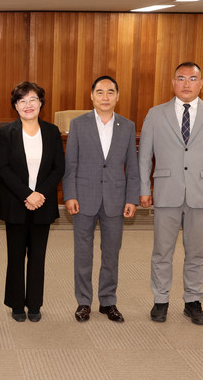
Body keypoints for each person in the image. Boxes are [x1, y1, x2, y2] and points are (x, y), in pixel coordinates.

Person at [139, 62, 203, 325]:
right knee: (162, 251)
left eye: (192, 78)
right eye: (181, 78)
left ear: (201, 83)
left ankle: (193, 301)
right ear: (173, 82)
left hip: (201, 192)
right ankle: (160, 300)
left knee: (196, 252)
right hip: (166, 191)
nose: (186, 84)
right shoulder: (156, 114)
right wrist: (144, 189)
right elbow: (144, 156)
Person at [63, 76, 139, 323]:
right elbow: (70, 164)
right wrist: (70, 195)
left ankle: (108, 302)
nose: (105, 97)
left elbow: (133, 166)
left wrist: (132, 198)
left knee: (111, 253)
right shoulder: (78, 124)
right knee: (83, 253)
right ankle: (84, 302)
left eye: (110, 92)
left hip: (116, 199)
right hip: (83, 197)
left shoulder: (127, 126)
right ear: (92, 96)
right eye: (100, 92)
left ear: (117, 96)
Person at [0, 82, 64, 323]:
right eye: (22, 101)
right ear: (15, 106)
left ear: (40, 103)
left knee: (38, 257)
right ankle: (16, 304)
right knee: (15, 256)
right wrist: (27, 194)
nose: (28, 105)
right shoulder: (6, 132)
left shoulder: (52, 131)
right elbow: (3, 167)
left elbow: (58, 168)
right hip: (15, 202)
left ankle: (34, 304)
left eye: (33, 99)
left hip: (42, 203)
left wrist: (39, 194)